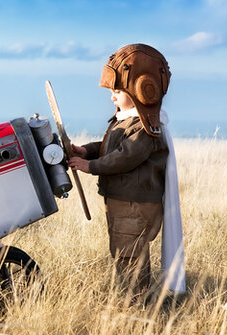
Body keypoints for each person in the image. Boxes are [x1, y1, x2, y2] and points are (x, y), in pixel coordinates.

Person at [67, 43, 186, 298]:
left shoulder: (145, 127)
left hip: (135, 203)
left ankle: (136, 304)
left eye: (117, 90)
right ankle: (131, 299)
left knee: (131, 256)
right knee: (124, 253)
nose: (112, 96)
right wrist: (85, 151)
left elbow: (125, 157)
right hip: (124, 201)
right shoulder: (127, 120)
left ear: (142, 89)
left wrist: (90, 167)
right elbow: (110, 146)